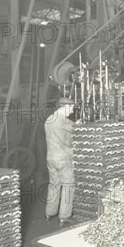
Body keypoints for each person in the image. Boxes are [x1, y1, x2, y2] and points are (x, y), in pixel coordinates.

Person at [44, 96, 75, 226]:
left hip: (51, 157)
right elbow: (78, 132)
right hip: (63, 159)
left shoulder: (49, 119)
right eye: (71, 108)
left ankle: (49, 213)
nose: (72, 111)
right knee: (68, 185)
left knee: (54, 184)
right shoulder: (64, 121)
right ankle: (64, 216)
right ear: (65, 107)